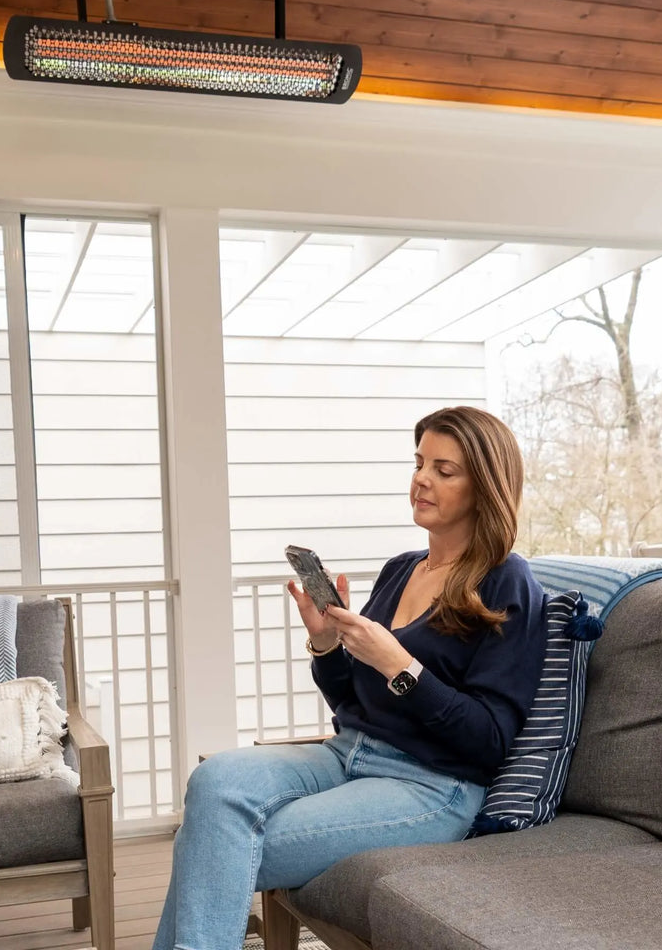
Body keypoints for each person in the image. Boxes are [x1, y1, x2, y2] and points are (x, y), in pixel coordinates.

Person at [153, 406, 548, 950]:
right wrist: (326, 644)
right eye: (418, 463)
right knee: (215, 780)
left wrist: (399, 665)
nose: (421, 480)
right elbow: (351, 697)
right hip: (346, 754)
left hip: (432, 785)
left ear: (485, 487)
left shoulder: (507, 581)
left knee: (209, 845)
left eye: (444, 469)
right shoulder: (401, 569)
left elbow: (487, 742)